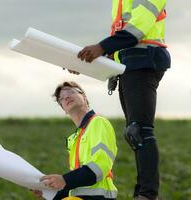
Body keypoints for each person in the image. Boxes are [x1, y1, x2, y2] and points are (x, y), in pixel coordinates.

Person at [68, 0, 171, 200]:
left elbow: (138, 29)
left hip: (144, 60)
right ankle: (143, 193)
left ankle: (148, 194)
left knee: (140, 131)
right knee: (134, 132)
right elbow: (121, 41)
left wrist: (101, 47)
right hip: (129, 64)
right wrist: (86, 62)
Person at [33, 81, 118, 200]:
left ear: (84, 97)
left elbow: (100, 166)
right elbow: (75, 185)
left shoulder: (98, 122)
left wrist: (64, 179)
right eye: (61, 98)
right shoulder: (73, 139)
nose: (66, 97)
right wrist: (50, 193)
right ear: (63, 109)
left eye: (70, 92)